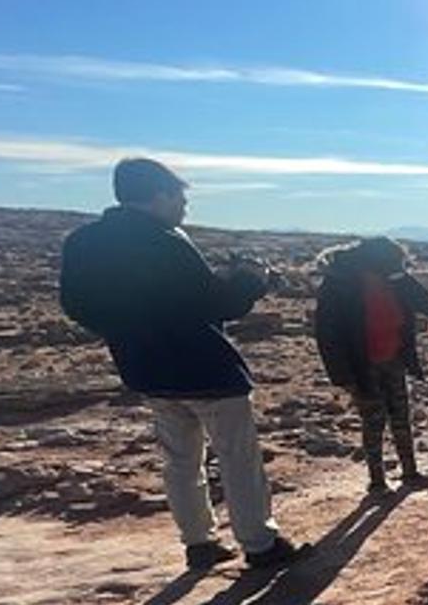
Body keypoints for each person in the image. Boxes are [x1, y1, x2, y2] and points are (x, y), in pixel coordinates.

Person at [58, 157, 296, 570]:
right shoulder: (166, 240)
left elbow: (75, 305)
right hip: (205, 366)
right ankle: (260, 544)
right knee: (237, 458)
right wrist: (249, 280)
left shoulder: (83, 242)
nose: (184, 207)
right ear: (159, 194)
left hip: (146, 367)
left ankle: (199, 543)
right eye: (180, 197)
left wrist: (126, 330)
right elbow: (218, 302)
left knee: (180, 460)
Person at [313, 236, 428, 494]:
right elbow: (327, 333)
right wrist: (341, 376)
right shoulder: (339, 283)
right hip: (361, 365)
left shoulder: (396, 279)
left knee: (401, 417)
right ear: (379, 259)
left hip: (393, 358)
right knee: (373, 421)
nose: (401, 268)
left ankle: (410, 474)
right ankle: (377, 482)